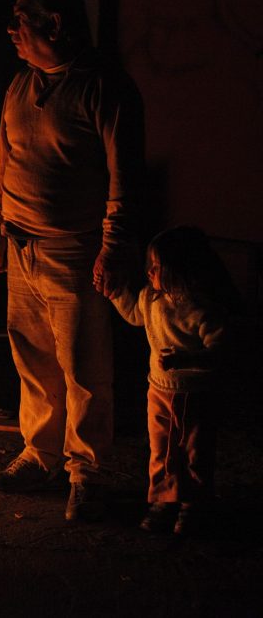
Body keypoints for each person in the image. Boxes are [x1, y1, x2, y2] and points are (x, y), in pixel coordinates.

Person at [0, 0, 145, 521]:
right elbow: (4, 158)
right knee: (33, 360)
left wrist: (112, 247)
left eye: (22, 19)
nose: (12, 30)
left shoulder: (104, 88)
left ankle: (87, 472)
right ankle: (40, 454)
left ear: (55, 23)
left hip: (73, 250)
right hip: (22, 244)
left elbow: (126, 178)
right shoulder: (21, 84)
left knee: (83, 369)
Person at [110, 226, 235, 535]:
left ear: (182, 269)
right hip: (159, 390)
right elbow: (134, 315)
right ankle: (165, 500)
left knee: (195, 452)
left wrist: (187, 360)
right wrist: (115, 294)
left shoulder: (202, 311)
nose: (149, 272)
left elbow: (220, 352)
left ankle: (195, 504)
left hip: (196, 395)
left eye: (157, 267)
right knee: (162, 449)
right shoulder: (151, 299)